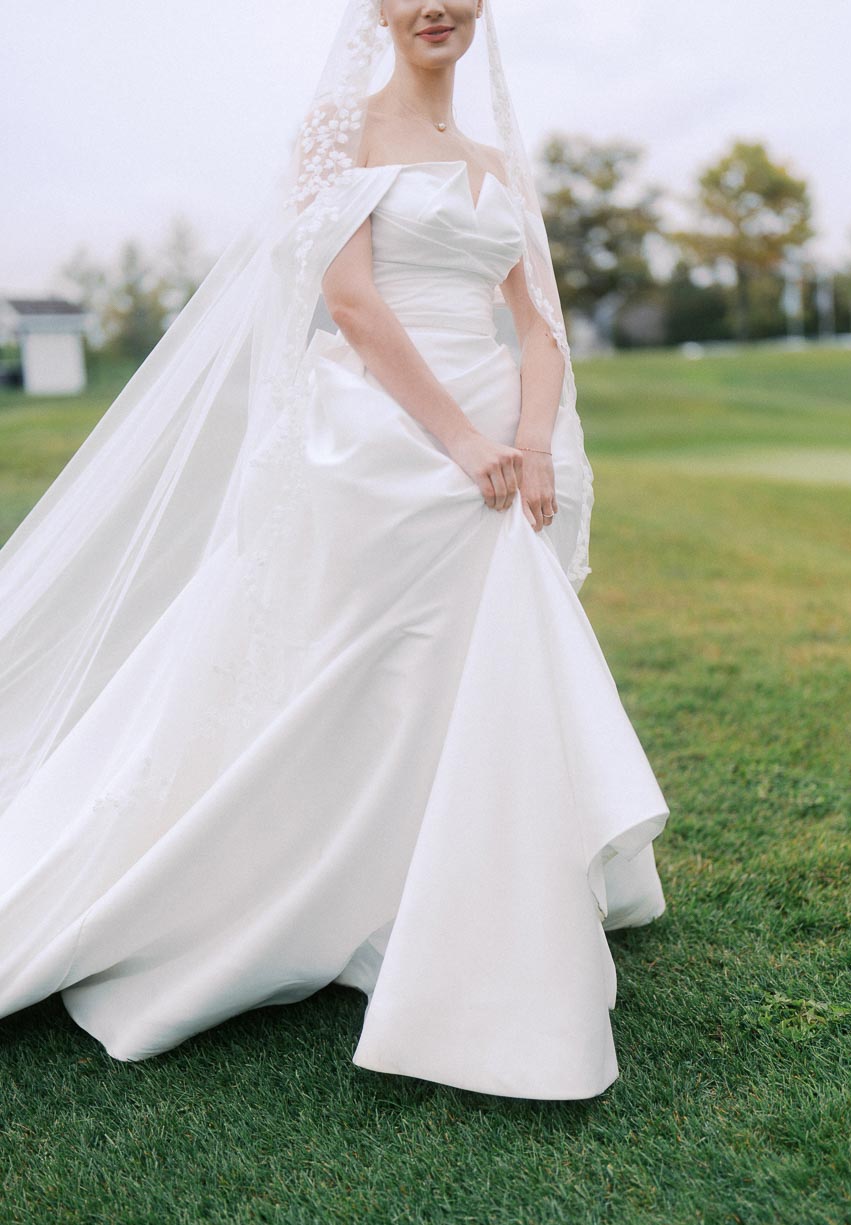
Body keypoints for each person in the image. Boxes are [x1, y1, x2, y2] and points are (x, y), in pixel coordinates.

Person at [0, 0, 670, 1100]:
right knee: (370, 665)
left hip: (500, 435)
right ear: (382, 11)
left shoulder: (497, 160)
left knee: (483, 664)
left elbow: (539, 322)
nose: (435, 6)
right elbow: (350, 300)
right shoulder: (339, 131)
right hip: (388, 434)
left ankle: (462, 880)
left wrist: (530, 439)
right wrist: (463, 444)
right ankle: (327, 885)